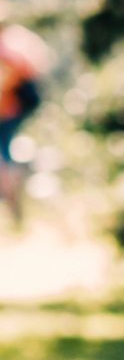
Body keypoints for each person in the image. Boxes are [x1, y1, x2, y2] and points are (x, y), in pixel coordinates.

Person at [0, 24, 48, 235]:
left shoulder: (7, 47)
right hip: (18, 105)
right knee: (5, 151)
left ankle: (11, 199)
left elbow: (12, 75)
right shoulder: (15, 38)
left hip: (12, 106)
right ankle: (13, 203)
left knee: (3, 154)